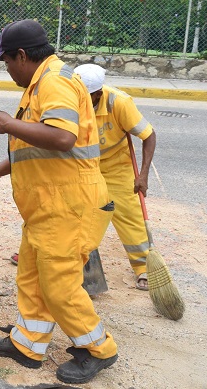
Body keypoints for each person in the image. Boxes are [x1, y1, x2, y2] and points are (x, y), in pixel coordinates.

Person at [0, 19, 117, 384]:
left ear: (22, 56)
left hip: (70, 205)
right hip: (47, 206)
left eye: (6, 62)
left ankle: (99, 349)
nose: (6, 70)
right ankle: (28, 344)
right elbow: (37, 146)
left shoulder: (55, 81)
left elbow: (62, 138)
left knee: (60, 285)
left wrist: (7, 124)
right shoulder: (39, 84)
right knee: (33, 278)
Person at [73, 64, 156, 290]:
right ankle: (56, 258)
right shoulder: (70, 100)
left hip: (116, 167)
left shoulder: (119, 102)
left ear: (98, 94)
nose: (78, 99)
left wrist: (144, 174)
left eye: (85, 96)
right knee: (72, 213)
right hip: (81, 165)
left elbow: (148, 136)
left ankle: (143, 266)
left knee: (129, 214)